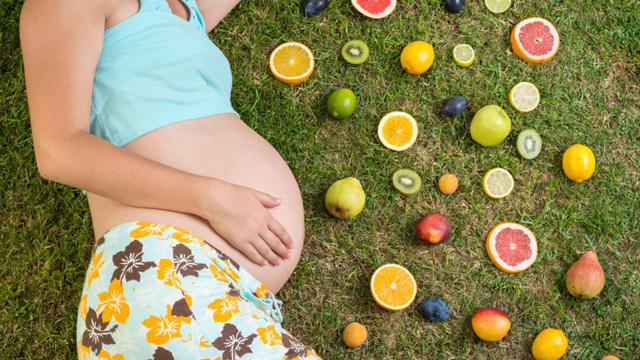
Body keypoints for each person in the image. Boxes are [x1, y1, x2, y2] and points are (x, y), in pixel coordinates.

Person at [19, 0, 320, 358]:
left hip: (203, 294)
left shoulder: (181, 11)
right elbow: (59, 151)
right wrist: (210, 199)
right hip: (166, 273)